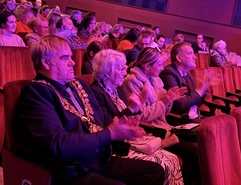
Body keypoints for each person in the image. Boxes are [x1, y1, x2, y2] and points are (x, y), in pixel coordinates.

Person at [13, 35, 165, 184]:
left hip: (98, 160)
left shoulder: (78, 84)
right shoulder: (37, 91)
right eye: (65, 58)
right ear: (46, 62)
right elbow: (58, 144)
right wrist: (110, 134)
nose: (73, 63)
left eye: (71, 57)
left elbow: (104, 120)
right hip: (73, 170)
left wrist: (126, 119)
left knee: (154, 170)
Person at [90, 49, 184, 185]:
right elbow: (109, 125)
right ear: (106, 72)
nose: (125, 71)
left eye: (124, 68)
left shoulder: (117, 89)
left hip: (131, 140)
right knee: (163, 165)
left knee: (172, 159)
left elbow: (135, 118)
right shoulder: (96, 92)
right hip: (117, 148)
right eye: (120, 69)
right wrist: (132, 109)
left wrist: (136, 110)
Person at [123, 47, 201, 185]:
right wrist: (164, 101)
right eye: (159, 64)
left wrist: (169, 100)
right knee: (196, 153)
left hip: (163, 127)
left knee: (201, 144)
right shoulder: (131, 81)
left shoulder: (155, 80)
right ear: (147, 66)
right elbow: (139, 116)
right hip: (150, 132)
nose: (162, 67)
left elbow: (163, 112)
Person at [160, 42, 208, 115]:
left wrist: (205, 89)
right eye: (190, 53)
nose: (194, 57)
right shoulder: (168, 73)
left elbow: (194, 99)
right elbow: (179, 105)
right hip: (178, 120)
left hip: (193, 116)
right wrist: (199, 91)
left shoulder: (188, 73)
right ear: (179, 58)